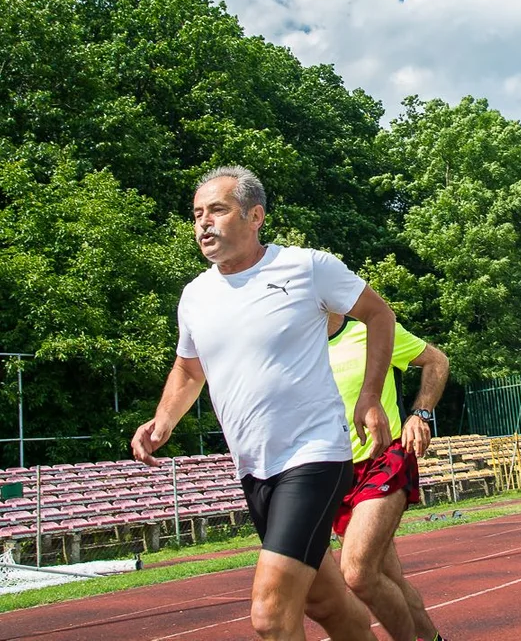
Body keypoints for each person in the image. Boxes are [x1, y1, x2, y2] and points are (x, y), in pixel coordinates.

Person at [131, 166, 394, 641]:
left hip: (314, 456)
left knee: (271, 617)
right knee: (326, 601)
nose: (203, 223)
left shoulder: (307, 267)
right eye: (196, 214)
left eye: (217, 210)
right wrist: (163, 419)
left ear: (255, 216)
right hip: (253, 467)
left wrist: (371, 397)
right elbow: (190, 369)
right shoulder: (194, 295)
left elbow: (379, 314)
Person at [327, 312, 451, 641]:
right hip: (335, 475)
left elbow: (436, 360)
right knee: (387, 576)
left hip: (384, 459)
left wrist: (420, 413)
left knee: (357, 571)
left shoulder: (373, 331)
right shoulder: (295, 348)